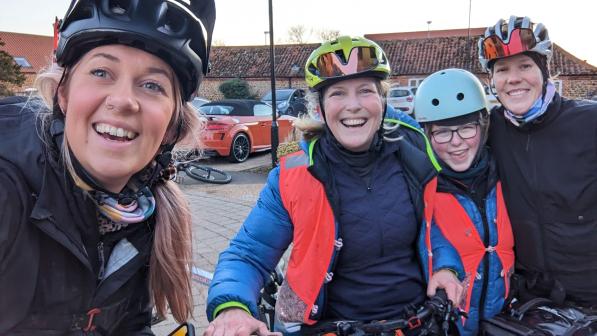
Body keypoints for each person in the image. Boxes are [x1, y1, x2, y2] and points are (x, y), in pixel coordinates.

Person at [205, 36, 451, 336]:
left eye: (365, 91)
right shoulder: (292, 175)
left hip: (416, 323)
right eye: (337, 93)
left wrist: (448, 267)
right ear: (320, 109)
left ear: (382, 102)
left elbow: (440, 227)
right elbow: (248, 254)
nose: (353, 105)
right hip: (328, 327)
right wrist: (233, 309)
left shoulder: (415, 155)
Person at [0, 0, 215, 334]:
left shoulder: (139, 215)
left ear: (172, 128)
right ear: (63, 94)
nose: (123, 100)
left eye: (152, 85)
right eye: (101, 72)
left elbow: (127, 324)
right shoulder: (8, 190)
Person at [478, 15, 597, 309]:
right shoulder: (489, 131)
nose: (514, 78)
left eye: (525, 66)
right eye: (502, 69)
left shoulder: (589, 122)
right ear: (492, 80)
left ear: (544, 71)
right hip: (532, 300)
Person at [414, 68, 515, 336]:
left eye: (466, 128)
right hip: (451, 326)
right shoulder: (420, 188)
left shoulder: (505, 175)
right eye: (442, 133)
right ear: (427, 134)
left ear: (482, 128)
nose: (456, 142)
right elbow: (429, 239)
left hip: (503, 321)